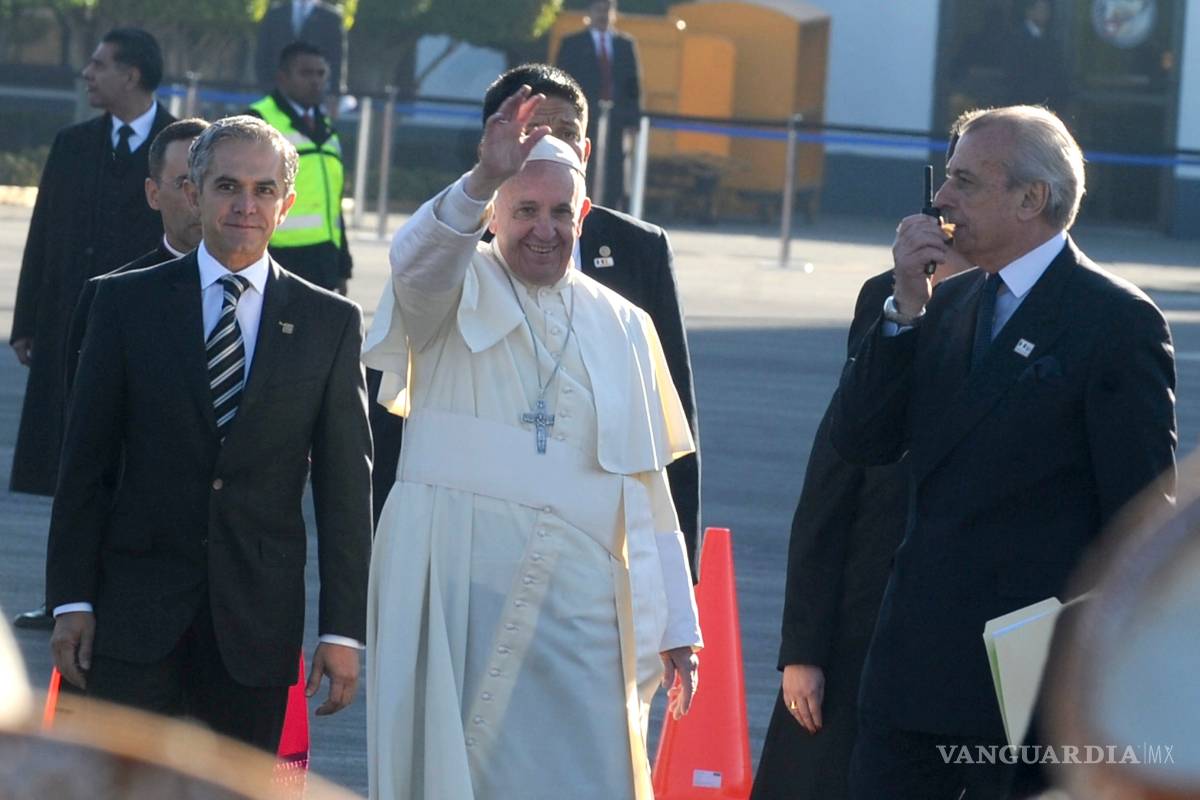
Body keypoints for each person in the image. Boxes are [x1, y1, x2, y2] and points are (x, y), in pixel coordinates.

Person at [363, 87, 701, 799]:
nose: (543, 230)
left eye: (558, 212)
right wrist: (480, 178)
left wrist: (677, 620)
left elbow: (648, 486)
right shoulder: (452, 288)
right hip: (462, 583)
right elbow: (415, 264)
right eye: (523, 210)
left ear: (582, 215)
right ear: (493, 216)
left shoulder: (625, 322)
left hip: (581, 605)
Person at [829, 105, 1176, 798]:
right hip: (912, 665)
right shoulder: (945, 305)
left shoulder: (1116, 322)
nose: (941, 199)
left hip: (1027, 681)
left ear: (1030, 199)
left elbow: (1139, 521)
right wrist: (902, 308)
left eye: (963, 180)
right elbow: (862, 440)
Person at [45, 115, 372, 752]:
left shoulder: (329, 323)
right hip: (131, 621)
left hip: (254, 629)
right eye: (227, 186)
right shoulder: (121, 304)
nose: (245, 205)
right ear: (192, 194)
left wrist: (342, 630)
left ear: (286, 205)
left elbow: (344, 492)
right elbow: (83, 468)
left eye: (263, 189)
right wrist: (70, 600)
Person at [367, 63, 702, 577]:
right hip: (465, 555)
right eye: (529, 133)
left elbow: (661, 432)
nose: (547, 146)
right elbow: (410, 274)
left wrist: (680, 588)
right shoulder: (450, 255)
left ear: (586, 152)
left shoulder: (640, 255)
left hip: (590, 570)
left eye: (565, 134)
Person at [753, 247, 972, 800]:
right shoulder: (892, 300)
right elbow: (828, 493)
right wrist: (804, 649)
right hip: (861, 625)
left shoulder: (1064, 311)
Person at [9, 28, 176, 629]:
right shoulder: (74, 143)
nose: (87, 74)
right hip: (70, 327)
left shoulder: (184, 145)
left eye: (100, 65)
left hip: (147, 331)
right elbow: (44, 234)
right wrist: (27, 319)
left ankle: (125, 596)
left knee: (136, 465)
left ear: (131, 76)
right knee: (71, 465)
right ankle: (66, 599)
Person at [65, 118, 210, 391]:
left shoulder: (283, 297)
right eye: (184, 184)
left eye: (215, 183)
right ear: (153, 194)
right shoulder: (111, 298)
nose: (198, 199)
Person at [246, 41, 352, 293]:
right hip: (277, 256)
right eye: (305, 73)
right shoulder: (259, 120)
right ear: (282, 77)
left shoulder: (325, 126)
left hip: (324, 258)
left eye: (320, 73)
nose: (315, 81)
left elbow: (333, 202)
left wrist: (342, 265)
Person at [555, 0, 642, 209]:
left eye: (608, 9)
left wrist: (633, 120)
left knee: (615, 170)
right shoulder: (573, 44)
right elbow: (561, 82)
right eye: (599, 9)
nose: (604, 14)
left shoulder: (625, 44)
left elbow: (632, 85)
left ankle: (610, 212)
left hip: (616, 119)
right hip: (583, 119)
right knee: (585, 165)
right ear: (589, 12)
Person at [255, 0, 345, 102]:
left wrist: (334, 93)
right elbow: (262, 55)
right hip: (278, 93)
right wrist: (266, 87)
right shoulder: (275, 14)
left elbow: (337, 58)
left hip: (316, 95)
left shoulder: (331, 17)